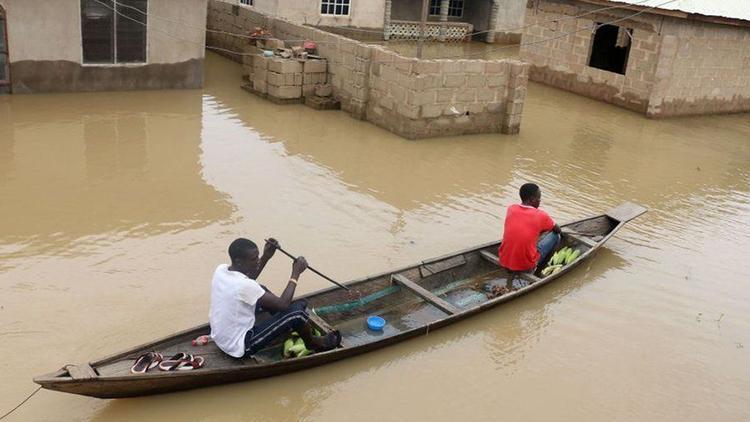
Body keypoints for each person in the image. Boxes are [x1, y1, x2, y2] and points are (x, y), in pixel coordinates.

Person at [209, 237, 340, 358]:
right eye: (254, 259)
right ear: (238, 261)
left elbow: (250, 279)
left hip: (220, 337)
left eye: (258, 257)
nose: (258, 261)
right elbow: (282, 304)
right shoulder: (244, 285)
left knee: (262, 290)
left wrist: (266, 256)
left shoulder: (221, 270)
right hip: (238, 346)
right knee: (297, 314)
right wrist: (296, 273)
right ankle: (313, 343)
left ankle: (285, 322)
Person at [499, 183, 562, 276]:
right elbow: (557, 229)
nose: (540, 200)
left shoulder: (511, 208)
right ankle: (537, 272)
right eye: (539, 198)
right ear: (532, 199)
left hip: (503, 260)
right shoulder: (541, 215)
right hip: (526, 265)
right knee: (556, 236)